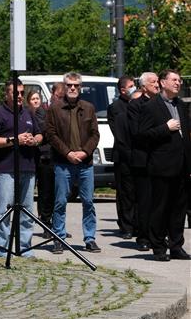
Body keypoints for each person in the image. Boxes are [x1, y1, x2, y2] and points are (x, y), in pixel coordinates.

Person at [0, 79, 42, 258]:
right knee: (4, 211)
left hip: (28, 167)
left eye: (21, 93)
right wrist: (13, 140)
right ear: (6, 94)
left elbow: (40, 134)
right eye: (15, 93)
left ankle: (25, 247)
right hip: (7, 169)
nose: (19, 96)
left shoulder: (28, 113)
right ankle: (2, 250)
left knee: (27, 210)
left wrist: (35, 140)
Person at [44, 72, 101, 254]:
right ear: (64, 86)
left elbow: (95, 134)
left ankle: (90, 238)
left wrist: (84, 152)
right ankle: (58, 238)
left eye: (76, 85)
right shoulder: (55, 108)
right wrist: (67, 153)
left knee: (88, 202)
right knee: (60, 201)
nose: (73, 88)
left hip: (85, 163)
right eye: (69, 85)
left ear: (80, 87)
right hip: (63, 162)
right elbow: (51, 134)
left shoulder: (89, 108)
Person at [138, 70, 191, 261]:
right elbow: (141, 136)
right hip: (162, 166)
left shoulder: (182, 106)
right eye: (174, 80)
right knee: (160, 208)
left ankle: (176, 246)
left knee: (179, 210)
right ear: (162, 82)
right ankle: (159, 247)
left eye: (179, 80)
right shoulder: (151, 106)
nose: (178, 83)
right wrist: (165, 129)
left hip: (181, 166)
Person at [128, 72, 160, 251]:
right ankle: (143, 237)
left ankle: (158, 236)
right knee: (145, 200)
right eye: (153, 82)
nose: (157, 85)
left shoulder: (162, 104)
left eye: (157, 81)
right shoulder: (135, 105)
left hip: (160, 158)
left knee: (160, 200)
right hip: (143, 159)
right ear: (143, 86)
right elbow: (136, 132)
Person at [107, 76, 137, 239]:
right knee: (124, 192)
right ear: (123, 90)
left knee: (137, 192)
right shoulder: (116, 107)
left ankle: (137, 224)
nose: (134, 88)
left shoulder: (139, 103)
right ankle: (126, 226)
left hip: (137, 154)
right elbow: (119, 132)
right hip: (123, 154)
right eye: (131, 86)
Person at [26, 89, 54, 232]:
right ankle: (40, 221)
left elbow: (47, 129)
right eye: (33, 99)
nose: (36, 101)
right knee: (31, 191)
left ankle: (47, 222)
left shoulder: (44, 113)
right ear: (28, 101)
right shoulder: (26, 114)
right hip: (31, 156)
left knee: (47, 190)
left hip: (45, 156)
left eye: (38, 98)